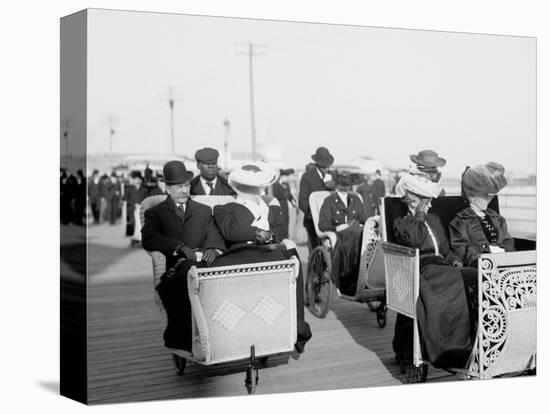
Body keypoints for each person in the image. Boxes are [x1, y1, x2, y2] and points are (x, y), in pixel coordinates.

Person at [213, 162, 312, 353]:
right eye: (250, 185)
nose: (255, 189)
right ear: (239, 186)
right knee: (288, 254)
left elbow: (280, 231)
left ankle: (297, 324)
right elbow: (231, 231)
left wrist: (267, 236)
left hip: (270, 252)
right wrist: (259, 233)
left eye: (257, 185)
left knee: (292, 256)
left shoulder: (272, 207)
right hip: (243, 254)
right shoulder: (225, 208)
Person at [391, 172, 478, 369]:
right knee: (457, 281)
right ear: (414, 201)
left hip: (443, 266)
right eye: (427, 202)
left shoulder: (434, 219)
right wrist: (420, 213)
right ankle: (450, 349)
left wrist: (455, 260)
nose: (430, 205)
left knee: (474, 276)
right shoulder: (403, 224)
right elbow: (414, 239)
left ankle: (473, 340)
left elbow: (446, 249)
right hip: (423, 268)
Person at [142, 160, 226, 351]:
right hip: (176, 268)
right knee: (185, 276)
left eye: (187, 185)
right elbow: (149, 239)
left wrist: (213, 248)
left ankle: (220, 334)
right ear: (168, 188)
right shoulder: (156, 213)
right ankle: (187, 340)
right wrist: (177, 246)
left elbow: (214, 233)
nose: (184, 190)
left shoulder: (203, 211)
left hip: (204, 264)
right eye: (179, 187)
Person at [449, 162, 514, 267]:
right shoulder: (460, 221)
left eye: (490, 195)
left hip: (503, 262)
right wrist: (486, 253)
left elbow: (508, 241)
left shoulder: (497, 218)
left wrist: (506, 254)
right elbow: (461, 250)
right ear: (471, 195)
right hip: (480, 265)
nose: (488, 199)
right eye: (484, 195)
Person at [318, 171, 368, 296]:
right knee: (355, 236)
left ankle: (367, 272)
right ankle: (349, 278)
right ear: (336, 185)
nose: (345, 187)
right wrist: (337, 227)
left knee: (365, 234)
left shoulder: (355, 199)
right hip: (341, 235)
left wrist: (360, 223)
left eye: (347, 185)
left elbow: (363, 218)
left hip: (356, 231)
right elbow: (323, 224)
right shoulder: (329, 201)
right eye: (342, 185)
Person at [299, 147, 335, 251]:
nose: (326, 169)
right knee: (315, 250)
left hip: (329, 222)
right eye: (324, 167)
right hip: (312, 222)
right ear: (318, 165)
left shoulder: (332, 176)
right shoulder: (307, 177)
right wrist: (314, 214)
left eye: (327, 166)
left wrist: (332, 187)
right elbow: (302, 202)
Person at [272, 168, 296, 239]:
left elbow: (289, 195)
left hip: (285, 206)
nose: (290, 179)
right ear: (283, 176)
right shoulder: (275, 185)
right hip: (277, 206)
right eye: (289, 177)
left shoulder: (287, 185)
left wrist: (293, 201)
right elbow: (283, 194)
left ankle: (285, 238)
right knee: (279, 223)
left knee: (286, 222)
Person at [124, 170, 149, 236]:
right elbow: (126, 200)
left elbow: (147, 199)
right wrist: (134, 204)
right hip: (132, 209)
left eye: (139, 179)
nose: (137, 181)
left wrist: (141, 205)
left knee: (142, 224)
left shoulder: (145, 189)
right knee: (134, 223)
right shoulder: (128, 189)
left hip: (142, 210)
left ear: (141, 180)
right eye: (135, 179)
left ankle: (140, 238)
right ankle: (136, 237)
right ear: (133, 180)